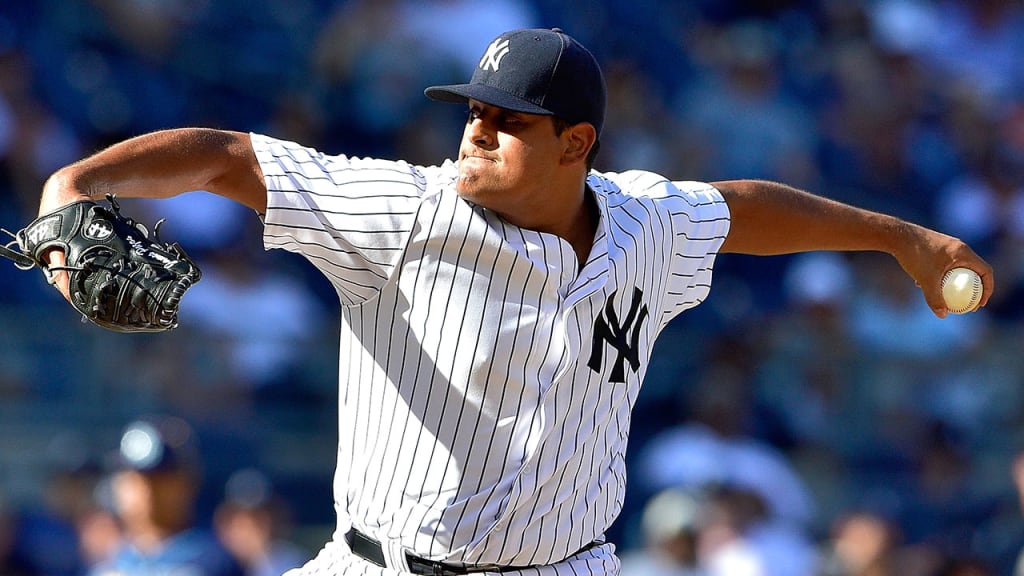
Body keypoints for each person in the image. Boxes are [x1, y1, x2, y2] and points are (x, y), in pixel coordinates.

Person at [36, 27, 993, 576]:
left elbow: (746, 209)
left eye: (508, 120)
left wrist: (900, 237)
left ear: (577, 144)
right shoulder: (403, 211)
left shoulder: (645, 225)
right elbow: (230, 157)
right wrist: (73, 184)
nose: (476, 132)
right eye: (473, 111)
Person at [89, 417, 243, 576]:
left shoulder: (216, 562)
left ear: (187, 482)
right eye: (137, 480)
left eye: (160, 479)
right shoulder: (107, 564)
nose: (148, 491)